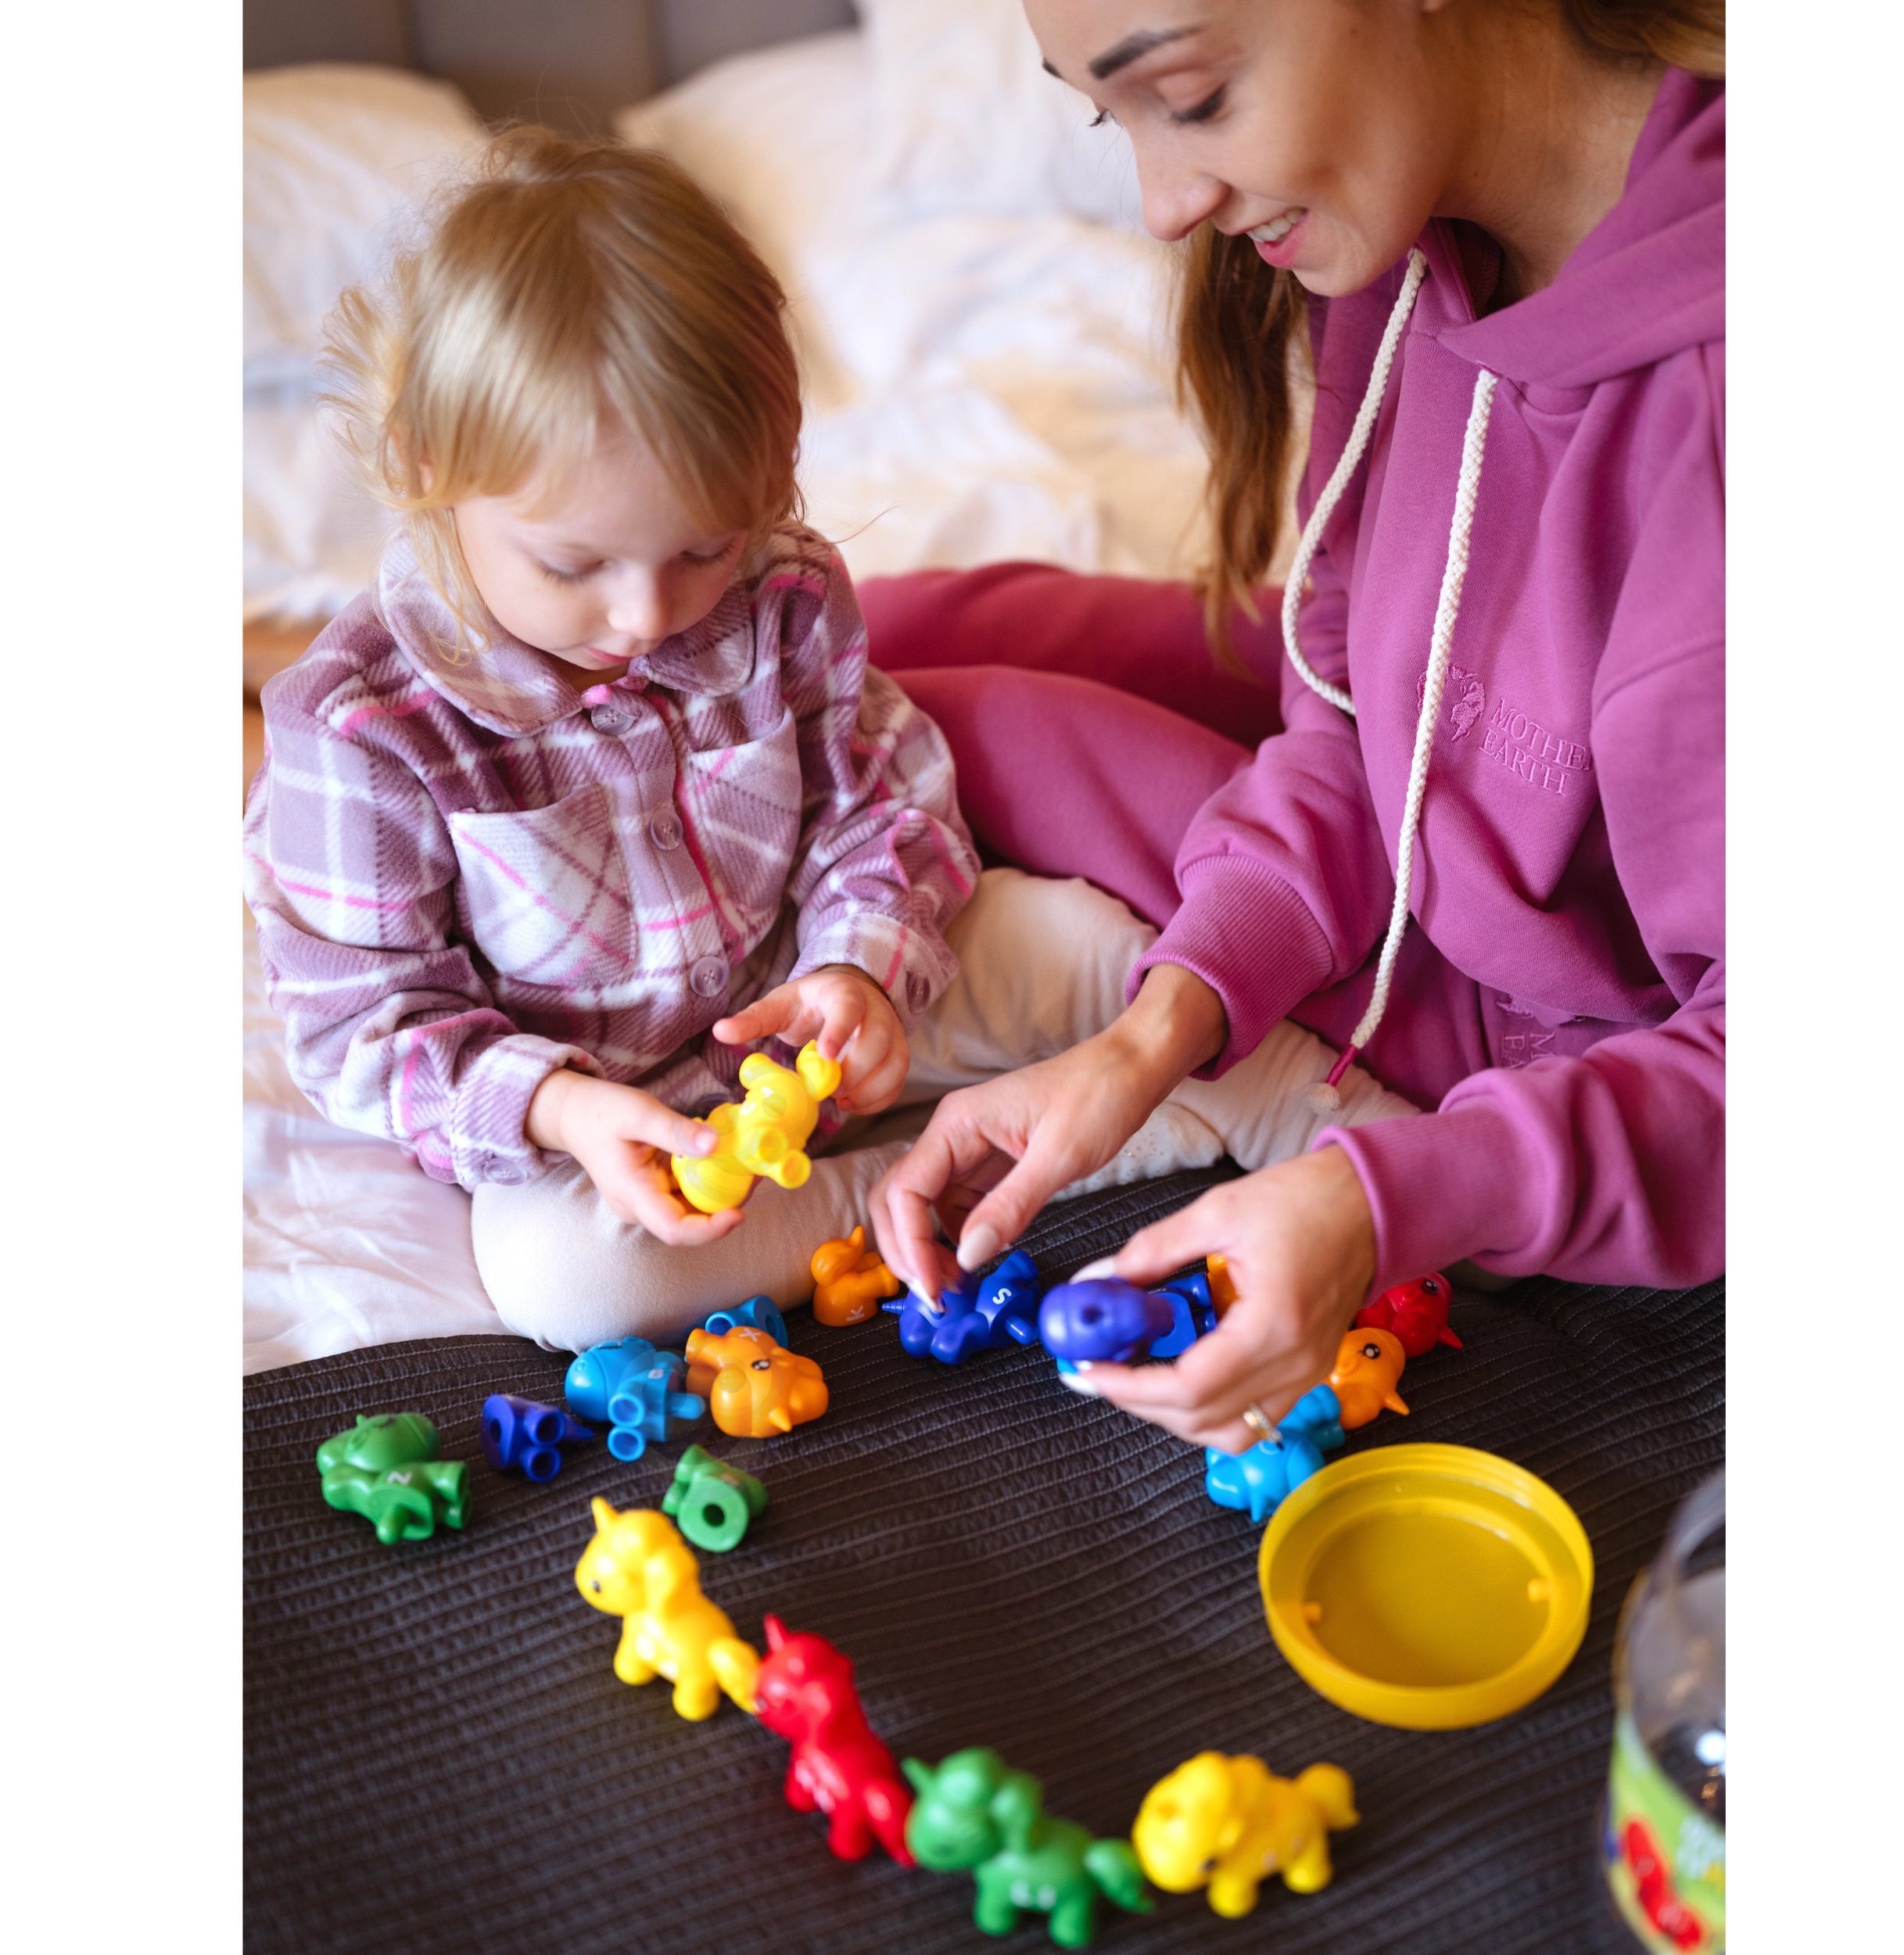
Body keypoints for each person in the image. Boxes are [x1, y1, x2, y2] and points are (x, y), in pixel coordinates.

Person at [242, 129, 1410, 1351]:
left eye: (702, 548)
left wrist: (858, 967)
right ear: (428, 468)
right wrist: (561, 1111)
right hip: (617, 1121)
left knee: (1071, 937)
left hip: (822, 1001)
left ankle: (1359, 1139)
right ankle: (1017, 1170)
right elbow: (363, 1026)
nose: (645, 616)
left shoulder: (781, 594)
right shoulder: (360, 731)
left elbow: (882, 800)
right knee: (566, 1286)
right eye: (574, 566)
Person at [867, 0, 1726, 1455]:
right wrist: (1154, 1034)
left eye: (1192, 95)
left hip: (1583, 1045)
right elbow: (1337, 716)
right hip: (1443, 768)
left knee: (942, 723)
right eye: (1108, 116)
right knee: (883, 631)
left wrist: (1373, 1199)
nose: (1162, 207)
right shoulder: (1404, 229)